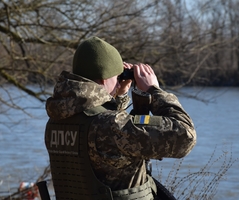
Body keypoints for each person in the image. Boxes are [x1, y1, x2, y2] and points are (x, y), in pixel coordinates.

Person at [44, 36, 196, 200]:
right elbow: (185, 136)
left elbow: (105, 141)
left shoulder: (57, 121)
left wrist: (118, 95)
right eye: (117, 78)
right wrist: (154, 90)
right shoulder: (109, 126)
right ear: (104, 79)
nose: (119, 83)